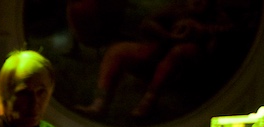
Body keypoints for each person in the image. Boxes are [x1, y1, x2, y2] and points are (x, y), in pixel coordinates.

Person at [75, 0, 231, 119]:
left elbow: (229, 32)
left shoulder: (217, 14)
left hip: (193, 66)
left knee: (180, 52)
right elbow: (148, 23)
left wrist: (202, 30)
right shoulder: (177, 8)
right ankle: (99, 104)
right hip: (159, 55)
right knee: (117, 51)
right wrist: (168, 35)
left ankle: (148, 102)